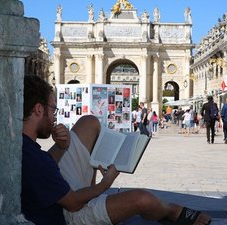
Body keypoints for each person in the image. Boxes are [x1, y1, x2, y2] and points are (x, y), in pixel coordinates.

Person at [21, 75, 212, 225]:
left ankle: (94, 196)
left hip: (58, 192)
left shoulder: (24, 146)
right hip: (68, 214)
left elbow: (45, 172)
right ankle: (171, 211)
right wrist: (105, 183)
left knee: (89, 122)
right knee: (141, 198)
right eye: (53, 110)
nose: (55, 117)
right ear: (38, 109)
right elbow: (72, 203)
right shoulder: (37, 161)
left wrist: (62, 147)